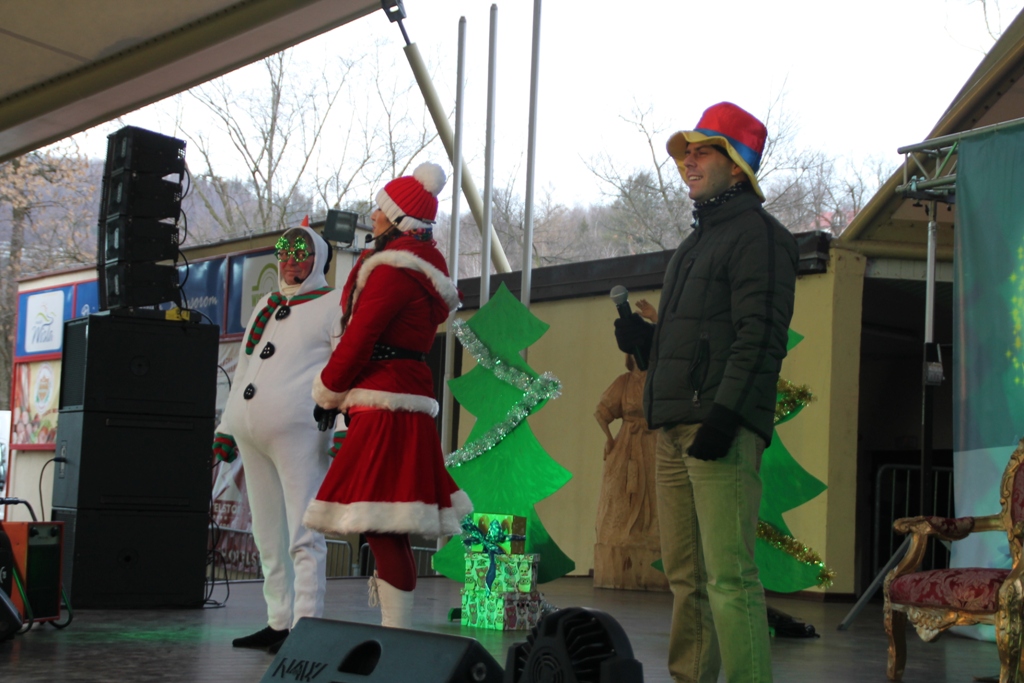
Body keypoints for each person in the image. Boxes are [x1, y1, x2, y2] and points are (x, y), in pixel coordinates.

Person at [613, 102, 798, 683]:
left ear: (736, 164)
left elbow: (760, 337)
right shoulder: (695, 244)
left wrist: (726, 416)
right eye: (685, 155)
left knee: (729, 576)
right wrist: (647, 342)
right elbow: (696, 339)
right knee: (687, 578)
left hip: (718, 425)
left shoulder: (761, 237)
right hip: (675, 424)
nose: (687, 163)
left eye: (701, 152)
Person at [304, 162, 472, 629]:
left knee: (378, 522)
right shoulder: (414, 269)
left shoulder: (393, 271)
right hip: (399, 400)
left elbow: (360, 337)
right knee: (386, 524)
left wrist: (327, 392)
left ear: (398, 219)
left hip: (385, 402)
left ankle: (397, 633)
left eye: (381, 209)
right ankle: (397, 630)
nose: (373, 216)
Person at [212, 225, 343, 652]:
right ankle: (278, 620)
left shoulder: (334, 304)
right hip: (252, 435)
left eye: (300, 254)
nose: (289, 262)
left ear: (318, 260)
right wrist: (226, 428)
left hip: (301, 434)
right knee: (267, 533)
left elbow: (345, 367)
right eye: (285, 254)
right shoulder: (266, 305)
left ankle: (306, 625)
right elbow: (245, 368)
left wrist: (344, 426)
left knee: (304, 532)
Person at [593, 300, 666, 591]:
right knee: (621, 496)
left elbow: (671, 347)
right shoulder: (624, 382)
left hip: (656, 444)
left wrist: (657, 319)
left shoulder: (660, 377)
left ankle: (656, 552)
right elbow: (602, 412)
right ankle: (620, 552)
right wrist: (609, 440)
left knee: (657, 497)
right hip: (627, 445)